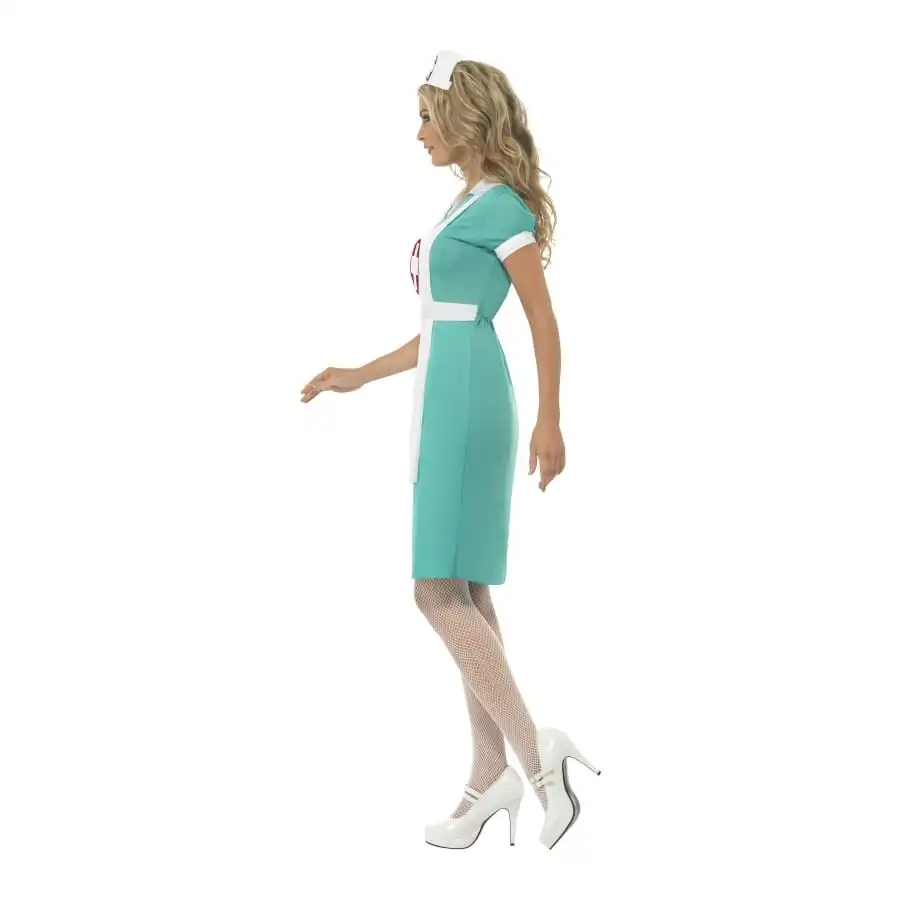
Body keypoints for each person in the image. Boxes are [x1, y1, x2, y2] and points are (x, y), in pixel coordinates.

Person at [301, 51, 600, 850]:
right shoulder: (466, 204)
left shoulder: (500, 209)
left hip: (468, 399)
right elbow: (440, 327)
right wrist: (358, 374)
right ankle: (489, 774)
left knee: (434, 592)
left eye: (428, 118)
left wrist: (551, 419)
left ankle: (536, 757)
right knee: (464, 588)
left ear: (464, 119)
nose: (419, 134)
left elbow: (541, 317)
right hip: (449, 385)